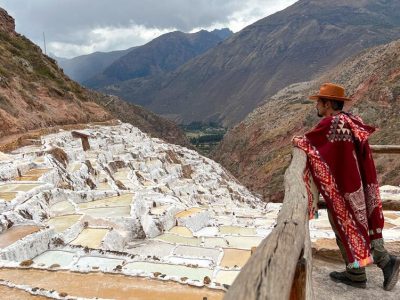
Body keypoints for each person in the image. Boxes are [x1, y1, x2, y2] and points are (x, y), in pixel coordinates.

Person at [292, 83, 400, 290]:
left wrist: (296, 141)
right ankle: (356, 272)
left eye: (319, 102)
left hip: (345, 189)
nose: (317, 106)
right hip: (360, 184)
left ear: (328, 103)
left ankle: (383, 262)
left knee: (345, 227)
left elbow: (309, 143)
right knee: (364, 223)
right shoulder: (352, 121)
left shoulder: (332, 124)